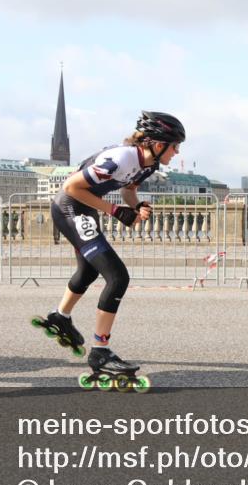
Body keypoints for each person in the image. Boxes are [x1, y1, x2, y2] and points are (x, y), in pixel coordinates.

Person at [34, 111, 185, 390]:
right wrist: (116, 211)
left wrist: (136, 205)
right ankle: (100, 352)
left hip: (84, 209)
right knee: (117, 277)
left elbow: (128, 189)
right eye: (175, 145)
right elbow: (70, 186)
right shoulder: (122, 157)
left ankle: (60, 316)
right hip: (68, 207)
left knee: (89, 270)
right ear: (155, 142)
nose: (177, 151)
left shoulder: (148, 164)